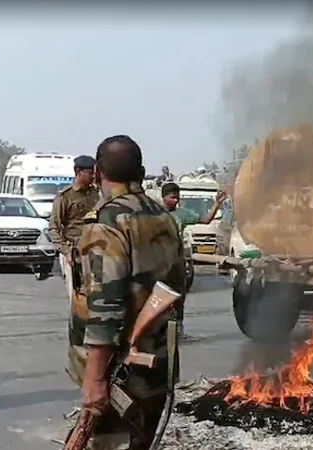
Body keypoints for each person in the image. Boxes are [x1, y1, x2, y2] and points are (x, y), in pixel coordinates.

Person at [65, 135, 183, 450]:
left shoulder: (107, 222)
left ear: (98, 173)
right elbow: (179, 283)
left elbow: (106, 306)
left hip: (119, 370)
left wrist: (95, 378)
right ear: (142, 172)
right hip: (157, 361)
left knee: (108, 443)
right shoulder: (164, 217)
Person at [160, 182, 227, 338]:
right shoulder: (154, 214)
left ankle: (179, 330)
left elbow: (205, 220)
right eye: (172, 197)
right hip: (159, 263)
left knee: (179, 297)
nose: (176, 201)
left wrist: (217, 204)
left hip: (176, 263)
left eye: (177, 198)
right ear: (163, 198)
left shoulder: (182, 214)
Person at [49, 155, 100, 309]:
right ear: (78, 172)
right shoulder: (65, 197)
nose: (93, 176)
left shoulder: (96, 194)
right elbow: (54, 228)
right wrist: (66, 251)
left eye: (94, 173)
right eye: (90, 173)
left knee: (95, 293)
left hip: (95, 251)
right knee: (77, 297)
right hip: (74, 252)